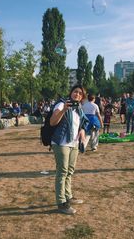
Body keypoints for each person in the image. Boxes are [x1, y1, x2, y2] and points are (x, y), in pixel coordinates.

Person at [49, 85, 89, 215]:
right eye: (75, 92)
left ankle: (68, 196)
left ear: (82, 97)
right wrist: (64, 110)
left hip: (74, 143)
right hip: (61, 142)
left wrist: (82, 130)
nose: (77, 94)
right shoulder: (61, 105)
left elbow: (82, 123)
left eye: (80, 93)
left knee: (70, 171)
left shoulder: (78, 109)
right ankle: (61, 203)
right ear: (71, 93)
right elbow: (53, 122)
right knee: (62, 171)